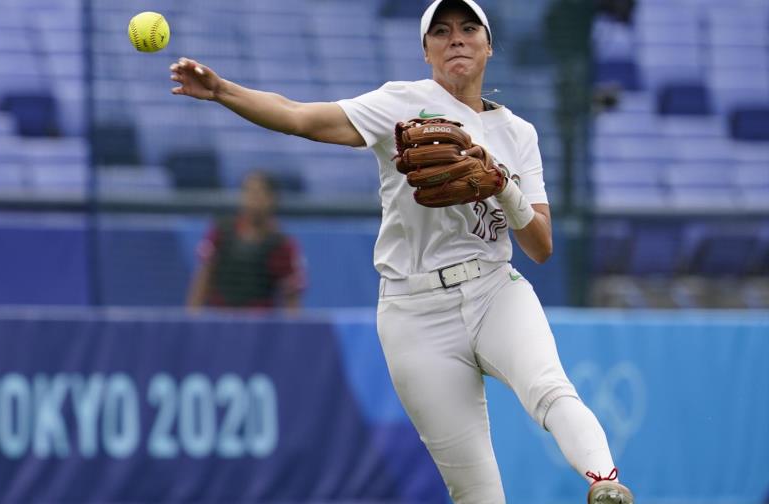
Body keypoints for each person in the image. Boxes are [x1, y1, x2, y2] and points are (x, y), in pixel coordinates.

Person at [171, 1, 634, 502]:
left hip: (494, 287)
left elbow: (540, 245)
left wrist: (503, 185)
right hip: (413, 313)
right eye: (441, 31)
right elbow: (298, 117)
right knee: (475, 488)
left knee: (549, 388)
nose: (455, 38)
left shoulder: (519, 134)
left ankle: (605, 486)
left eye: (467, 28)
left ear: (489, 44)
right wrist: (221, 91)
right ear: (426, 51)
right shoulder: (399, 103)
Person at [186, 170, 305, 311]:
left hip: (259, 327)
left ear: (272, 198)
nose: (252, 199)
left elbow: (291, 300)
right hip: (218, 321)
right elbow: (203, 279)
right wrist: (192, 318)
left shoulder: (283, 245)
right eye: (247, 192)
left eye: (258, 193)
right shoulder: (221, 231)